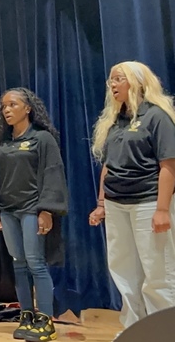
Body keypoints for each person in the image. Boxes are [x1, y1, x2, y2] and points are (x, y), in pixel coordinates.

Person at [88, 61, 175, 334]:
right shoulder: (115, 120)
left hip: (148, 203)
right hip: (116, 204)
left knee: (157, 272)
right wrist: (101, 203)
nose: (112, 85)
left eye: (118, 79)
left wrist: (162, 209)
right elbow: (109, 165)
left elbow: (169, 165)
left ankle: (163, 331)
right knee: (124, 271)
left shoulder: (157, 116)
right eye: (110, 80)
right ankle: (134, 331)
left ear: (137, 82)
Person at [0, 87, 68, 341]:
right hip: (8, 211)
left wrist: (47, 210)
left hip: (32, 208)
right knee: (18, 264)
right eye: (3, 107)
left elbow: (53, 174)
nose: (7, 110)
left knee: (36, 263)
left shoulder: (42, 139)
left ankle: (45, 320)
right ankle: (26, 315)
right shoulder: (1, 143)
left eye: (12, 105)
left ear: (27, 108)